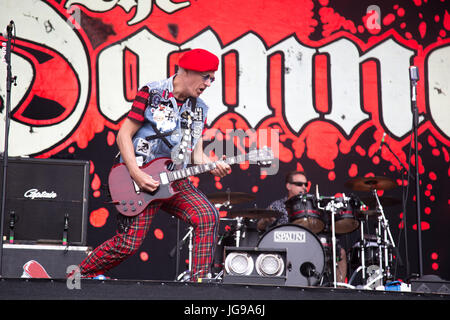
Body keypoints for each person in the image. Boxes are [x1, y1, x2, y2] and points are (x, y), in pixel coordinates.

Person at [77, 48, 231, 281]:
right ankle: (78, 275)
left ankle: (200, 283)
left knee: (207, 215)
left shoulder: (200, 110)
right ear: (187, 71)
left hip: (175, 178)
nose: (209, 83)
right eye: (206, 76)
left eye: (212, 78)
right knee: (127, 244)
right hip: (140, 177)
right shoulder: (152, 92)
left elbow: (195, 155)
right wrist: (137, 174)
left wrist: (212, 164)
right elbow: (123, 135)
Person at [256, 170, 348, 284]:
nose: (304, 187)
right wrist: (265, 220)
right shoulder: (278, 205)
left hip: (310, 244)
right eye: (299, 184)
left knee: (340, 252)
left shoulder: (314, 204)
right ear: (288, 186)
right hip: (286, 245)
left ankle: (339, 289)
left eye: (306, 184)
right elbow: (259, 226)